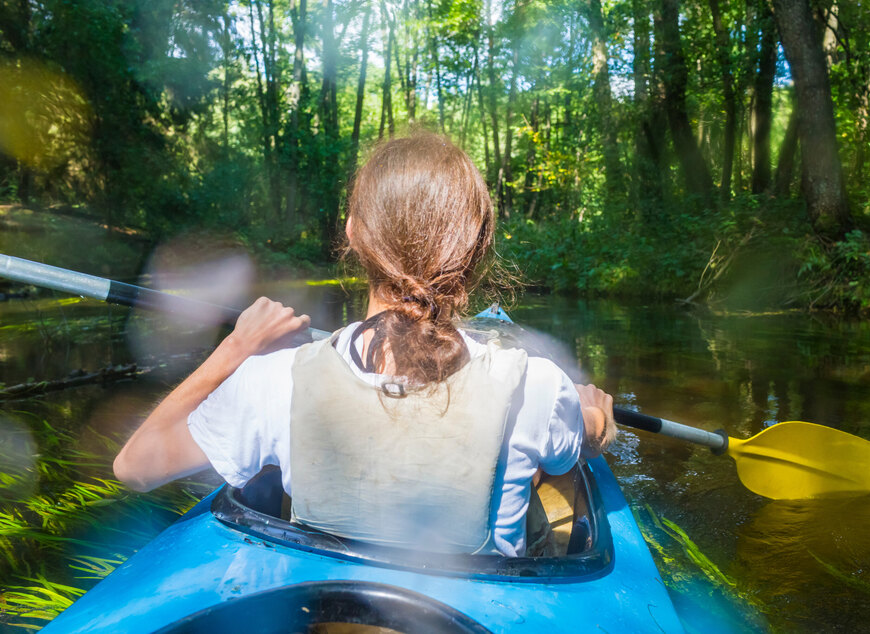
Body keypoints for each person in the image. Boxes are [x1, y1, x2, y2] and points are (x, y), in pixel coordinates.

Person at [113, 133, 617, 556]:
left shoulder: (273, 380)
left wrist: (237, 348)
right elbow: (585, 439)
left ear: (353, 234)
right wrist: (592, 416)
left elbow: (134, 468)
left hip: (331, 615)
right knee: (556, 481)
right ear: (478, 245)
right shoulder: (539, 387)